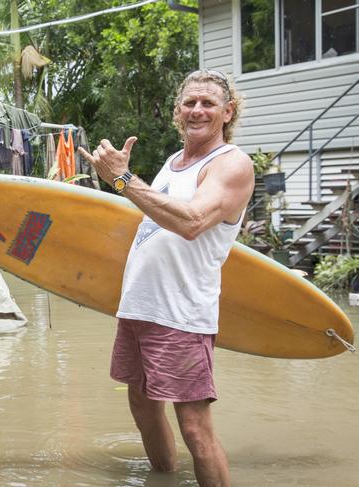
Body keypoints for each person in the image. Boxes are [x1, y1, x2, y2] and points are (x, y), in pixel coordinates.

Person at [78, 70, 254, 487]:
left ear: (227, 112)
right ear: (177, 111)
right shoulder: (172, 164)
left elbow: (192, 222)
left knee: (194, 427)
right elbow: (151, 224)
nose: (197, 110)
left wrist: (122, 179)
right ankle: (165, 480)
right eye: (189, 102)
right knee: (141, 404)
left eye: (208, 103)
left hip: (182, 313)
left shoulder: (232, 163)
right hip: (139, 307)